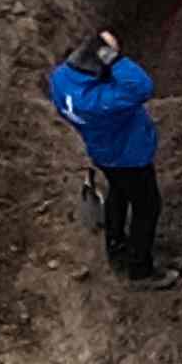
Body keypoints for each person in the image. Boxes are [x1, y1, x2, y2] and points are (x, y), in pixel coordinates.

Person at [49, 34, 162, 280]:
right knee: (147, 207)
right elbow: (142, 86)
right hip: (130, 157)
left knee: (118, 192)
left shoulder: (60, 80)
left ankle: (115, 244)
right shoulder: (103, 101)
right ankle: (140, 270)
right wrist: (114, 57)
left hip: (101, 153)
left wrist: (100, 48)